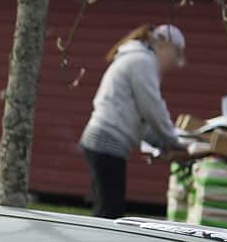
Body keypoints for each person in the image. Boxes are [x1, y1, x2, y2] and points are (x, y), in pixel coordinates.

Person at [79, 23, 192, 219]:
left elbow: (139, 119)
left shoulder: (137, 59)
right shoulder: (143, 62)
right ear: (166, 46)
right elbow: (152, 108)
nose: (171, 65)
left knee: (106, 209)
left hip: (100, 141)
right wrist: (173, 141)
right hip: (107, 143)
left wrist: (162, 144)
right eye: (174, 58)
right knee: (110, 213)